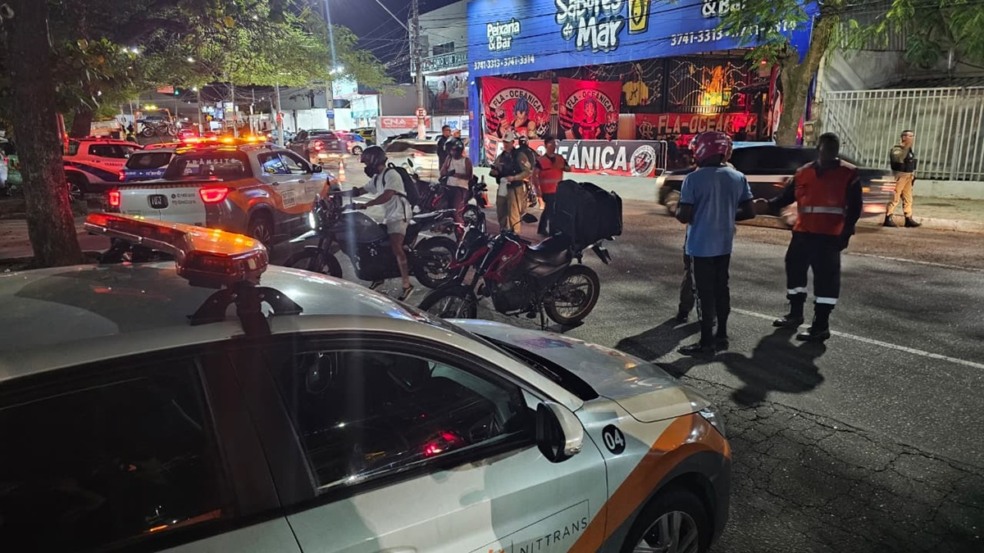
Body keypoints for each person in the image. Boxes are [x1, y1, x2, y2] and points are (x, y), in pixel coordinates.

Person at [757, 132, 862, 342]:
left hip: (829, 236)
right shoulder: (803, 173)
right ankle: (795, 314)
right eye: (826, 148)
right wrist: (767, 205)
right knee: (795, 272)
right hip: (803, 234)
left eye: (833, 148)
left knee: (826, 281)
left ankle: (821, 325)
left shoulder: (848, 173)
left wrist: (846, 233)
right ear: (818, 149)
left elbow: (855, 208)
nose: (830, 152)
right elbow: (786, 197)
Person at [675, 132, 756, 355]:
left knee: (704, 293)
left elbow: (684, 215)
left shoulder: (694, 179)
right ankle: (722, 335)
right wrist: (726, 214)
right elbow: (750, 211)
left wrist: (678, 209)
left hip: (700, 246)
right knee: (722, 289)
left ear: (703, 150)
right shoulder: (738, 177)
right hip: (724, 244)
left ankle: (706, 342)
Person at [334, 145, 415, 301]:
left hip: (399, 214)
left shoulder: (391, 174)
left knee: (396, 246)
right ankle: (379, 277)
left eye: (366, 163)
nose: (365, 166)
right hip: (388, 215)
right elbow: (360, 191)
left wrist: (366, 204)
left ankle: (407, 284)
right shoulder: (378, 177)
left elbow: (387, 195)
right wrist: (338, 194)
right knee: (375, 246)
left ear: (374, 160)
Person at [490, 131, 532, 234]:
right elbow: (493, 170)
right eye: (504, 142)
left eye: (507, 142)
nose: (505, 144)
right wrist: (495, 172)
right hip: (503, 185)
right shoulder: (501, 156)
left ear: (513, 142)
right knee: (501, 210)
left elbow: (527, 171)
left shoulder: (520, 155)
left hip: (515, 187)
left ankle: (515, 234)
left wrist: (514, 178)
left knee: (514, 213)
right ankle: (503, 231)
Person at [533, 134, 569, 236]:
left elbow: (568, 168)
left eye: (554, 143)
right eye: (551, 143)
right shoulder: (540, 160)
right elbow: (534, 175)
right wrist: (537, 191)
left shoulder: (560, 158)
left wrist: (562, 166)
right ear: (546, 145)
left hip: (558, 189)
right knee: (552, 211)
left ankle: (542, 228)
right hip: (547, 190)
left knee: (549, 209)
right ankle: (553, 232)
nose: (553, 145)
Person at [884, 129, 921, 228]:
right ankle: (888, 217)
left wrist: (913, 174)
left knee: (908, 198)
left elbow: (911, 162)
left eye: (913, 136)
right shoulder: (897, 149)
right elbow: (898, 159)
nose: (912, 138)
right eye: (910, 136)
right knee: (895, 197)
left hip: (908, 176)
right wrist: (906, 147)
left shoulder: (909, 150)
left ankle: (908, 218)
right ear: (904, 137)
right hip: (899, 175)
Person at [440, 137, 472, 229]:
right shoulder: (449, 159)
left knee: (456, 210)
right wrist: (445, 171)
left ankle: (461, 230)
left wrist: (455, 174)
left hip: (461, 188)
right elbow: (443, 171)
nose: (451, 153)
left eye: (453, 151)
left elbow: (469, 176)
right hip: (449, 186)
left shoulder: (466, 161)